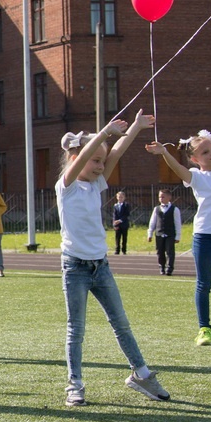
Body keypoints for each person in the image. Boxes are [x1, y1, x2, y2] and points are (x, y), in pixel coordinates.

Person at [58, 114, 169, 406]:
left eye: (101, 162)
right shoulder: (66, 186)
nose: (99, 166)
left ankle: (141, 375)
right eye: (94, 160)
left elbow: (117, 152)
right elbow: (86, 155)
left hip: (101, 266)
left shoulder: (96, 185)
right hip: (75, 268)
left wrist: (135, 128)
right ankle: (75, 384)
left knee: (121, 323)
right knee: (76, 329)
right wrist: (105, 131)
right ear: (75, 158)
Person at [147, 114, 211, 346]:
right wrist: (164, 152)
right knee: (204, 284)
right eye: (205, 152)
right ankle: (205, 329)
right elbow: (177, 167)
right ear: (194, 159)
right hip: (204, 238)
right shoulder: (195, 177)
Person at [147, 189, 181, 276]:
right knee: (160, 251)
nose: (161, 198)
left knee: (170, 251)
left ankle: (170, 268)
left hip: (170, 234)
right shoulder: (156, 209)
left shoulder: (175, 209)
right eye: (159, 197)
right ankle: (161, 267)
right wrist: (150, 233)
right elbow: (152, 222)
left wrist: (178, 236)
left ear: (169, 197)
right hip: (159, 233)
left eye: (163, 196)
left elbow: (177, 223)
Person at [112, 191, 131, 255]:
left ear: (124, 198)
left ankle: (124, 250)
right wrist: (115, 223)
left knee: (124, 237)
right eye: (119, 197)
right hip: (117, 225)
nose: (120, 198)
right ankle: (117, 250)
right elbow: (114, 215)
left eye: (122, 197)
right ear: (117, 197)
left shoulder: (126, 205)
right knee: (117, 237)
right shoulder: (115, 205)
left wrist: (120, 220)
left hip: (124, 224)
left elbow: (126, 214)